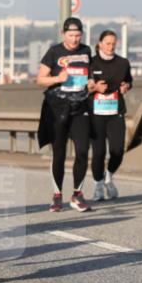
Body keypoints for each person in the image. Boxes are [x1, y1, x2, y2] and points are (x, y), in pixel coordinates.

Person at [36, 17, 93, 212]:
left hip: (81, 107)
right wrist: (57, 78)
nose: (75, 39)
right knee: (59, 152)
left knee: (83, 151)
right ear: (63, 34)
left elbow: (90, 75)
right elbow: (40, 80)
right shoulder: (54, 52)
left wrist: (91, 84)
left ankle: (77, 194)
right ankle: (57, 195)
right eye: (71, 35)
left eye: (78, 35)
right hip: (58, 107)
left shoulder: (86, 52)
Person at [88, 30, 133, 201]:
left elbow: (129, 81)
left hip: (115, 112)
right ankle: (98, 185)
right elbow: (84, 86)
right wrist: (93, 87)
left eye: (113, 43)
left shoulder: (123, 63)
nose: (110, 47)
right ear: (99, 44)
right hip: (96, 113)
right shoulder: (91, 63)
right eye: (107, 43)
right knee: (98, 153)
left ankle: (108, 176)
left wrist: (126, 86)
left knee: (117, 151)